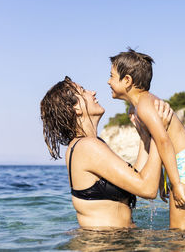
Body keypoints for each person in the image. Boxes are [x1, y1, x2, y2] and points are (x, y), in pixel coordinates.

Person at [40, 76, 173, 228]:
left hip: (114, 241)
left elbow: (136, 180)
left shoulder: (85, 145)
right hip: (106, 243)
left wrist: (145, 139)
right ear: (76, 108)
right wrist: (158, 131)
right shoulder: (87, 147)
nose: (93, 92)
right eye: (83, 91)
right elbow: (148, 189)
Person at [107, 49, 185, 230]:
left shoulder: (145, 105)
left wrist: (176, 184)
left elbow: (163, 142)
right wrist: (164, 181)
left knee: (178, 238)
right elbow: (159, 145)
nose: (108, 81)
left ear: (127, 80)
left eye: (112, 76)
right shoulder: (137, 108)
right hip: (183, 166)